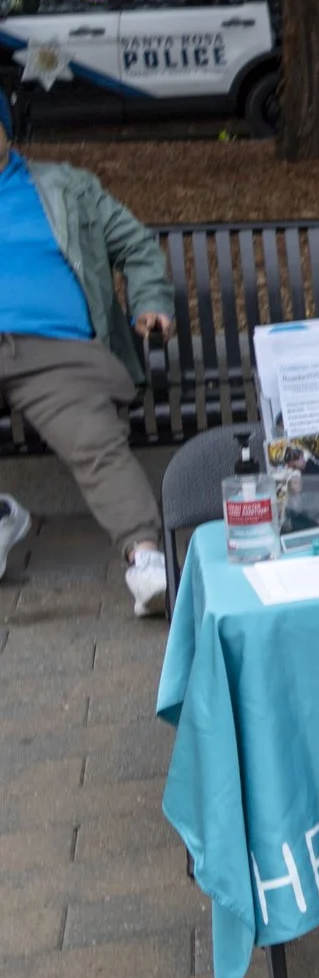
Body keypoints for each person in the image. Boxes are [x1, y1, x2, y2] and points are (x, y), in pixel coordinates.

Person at [0, 113, 176, 614]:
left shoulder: (67, 187)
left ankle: (147, 563)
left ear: (6, 130)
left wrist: (151, 302)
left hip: (59, 352)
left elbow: (138, 246)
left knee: (95, 442)